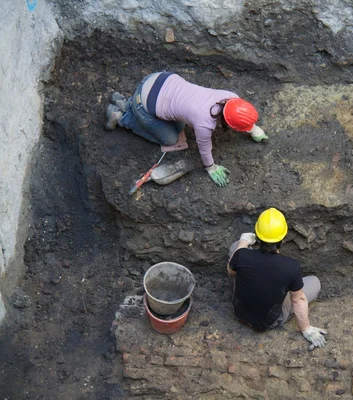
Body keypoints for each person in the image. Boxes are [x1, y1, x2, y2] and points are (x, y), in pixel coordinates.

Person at [104, 72, 269, 187]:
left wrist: (254, 129)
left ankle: (126, 103)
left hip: (158, 79)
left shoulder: (231, 97)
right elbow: (204, 150)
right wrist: (211, 168)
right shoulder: (204, 123)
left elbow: (238, 114)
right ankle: (122, 118)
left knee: (179, 125)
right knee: (171, 140)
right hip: (146, 104)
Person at [227, 208, 327, 349]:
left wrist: (243, 242)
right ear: (283, 237)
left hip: (240, 312)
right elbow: (298, 300)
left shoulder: (242, 255)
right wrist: (306, 328)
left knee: (234, 248)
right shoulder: (291, 267)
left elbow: (231, 272)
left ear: (257, 235)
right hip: (267, 322)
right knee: (314, 283)